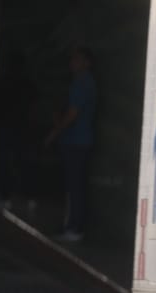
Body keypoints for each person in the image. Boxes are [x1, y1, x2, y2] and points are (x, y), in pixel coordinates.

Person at [47, 46, 98, 242]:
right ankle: (72, 225)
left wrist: (55, 131)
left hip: (77, 141)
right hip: (77, 140)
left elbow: (72, 114)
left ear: (87, 63)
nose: (73, 63)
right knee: (74, 185)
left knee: (75, 185)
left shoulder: (83, 83)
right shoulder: (84, 83)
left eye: (77, 59)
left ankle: (74, 228)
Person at [0, 50, 37, 211]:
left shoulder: (1, 82)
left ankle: (6, 196)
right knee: (22, 162)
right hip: (20, 128)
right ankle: (29, 196)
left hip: (4, 127)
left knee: (4, 162)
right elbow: (34, 108)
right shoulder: (26, 83)